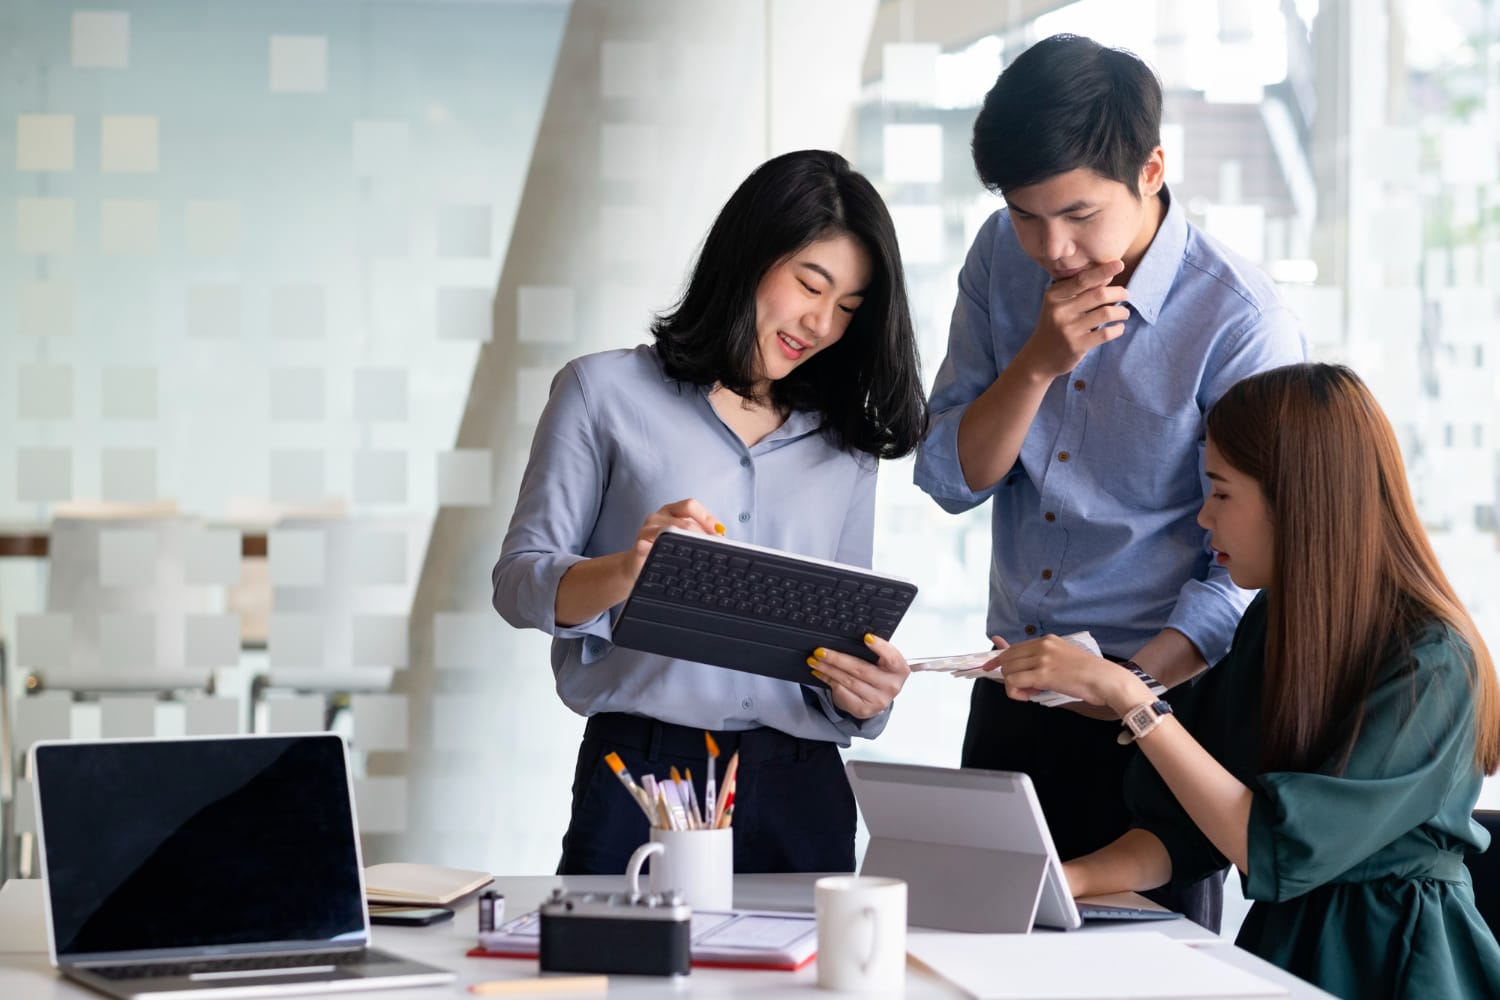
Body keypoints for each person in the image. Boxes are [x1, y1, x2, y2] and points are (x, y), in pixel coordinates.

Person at [911, 33, 1306, 929]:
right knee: (984, 949)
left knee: (1142, 971)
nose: (1052, 248)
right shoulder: (999, 260)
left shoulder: (1240, 324)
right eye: (1025, 214)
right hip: (1010, 693)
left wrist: (1124, 683)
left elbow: (1252, 569)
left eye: (1080, 215)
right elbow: (951, 477)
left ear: (1152, 168)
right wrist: (1038, 366)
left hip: (1159, 711)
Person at [997, 363, 1500, 999]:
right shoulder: (1276, 621)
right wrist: (1059, 880)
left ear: (1298, 497)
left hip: (1395, 963)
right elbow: (1185, 827)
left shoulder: (1431, 662)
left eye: (1221, 492)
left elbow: (1274, 848)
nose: (1205, 518)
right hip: (1283, 952)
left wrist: (1131, 696)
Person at [493, 149, 929, 876]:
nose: (821, 323)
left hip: (804, 783)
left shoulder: (846, 446)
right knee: (620, 985)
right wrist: (629, 569)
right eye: (810, 285)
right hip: (644, 772)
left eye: (849, 308)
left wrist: (868, 696)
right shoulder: (602, 394)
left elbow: (844, 633)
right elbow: (519, 585)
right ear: (750, 257)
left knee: (807, 992)